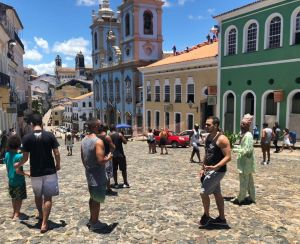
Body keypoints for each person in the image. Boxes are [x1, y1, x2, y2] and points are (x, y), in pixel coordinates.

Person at [14, 113, 61, 233]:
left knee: (38, 196)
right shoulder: (50, 136)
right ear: (41, 122)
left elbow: (25, 158)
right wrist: (58, 164)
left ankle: (40, 214)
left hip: (35, 172)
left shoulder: (26, 138)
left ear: (31, 124)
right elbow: (56, 153)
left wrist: (18, 165)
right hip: (50, 171)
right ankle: (45, 223)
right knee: (48, 197)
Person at [199, 116, 231, 227]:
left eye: (209, 124)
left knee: (203, 192)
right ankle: (222, 219)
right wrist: (202, 168)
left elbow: (228, 157)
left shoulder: (222, 139)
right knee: (217, 194)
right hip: (209, 170)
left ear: (216, 125)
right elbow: (207, 154)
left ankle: (206, 216)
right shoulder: (208, 138)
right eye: (206, 124)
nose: (206, 126)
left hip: (218, 171)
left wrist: (215, 167)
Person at [81, 118, 112, 231]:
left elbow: (83, 158)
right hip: (98, 175)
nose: (102, 127)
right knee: (97, 200)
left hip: (89, 173)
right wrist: (109, 157)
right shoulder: (98, 141)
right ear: (95, 127)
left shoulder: (84, 140)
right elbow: (101, 160)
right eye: (100, 125)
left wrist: (88, 168)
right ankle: (95, 222)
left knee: (92, 198)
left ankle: (92, 219)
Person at [4, 135, 30, 220]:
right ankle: (17, 213)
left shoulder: (7, 154)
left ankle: (14, 211)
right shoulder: (18, 156)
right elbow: (18, 171)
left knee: (13, 197)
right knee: (19, 198)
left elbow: (8, 168)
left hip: (11, 180)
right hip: (19, 180)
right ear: (18, 145)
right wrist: (26, 174)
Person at [232, 114, 256, 205]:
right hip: (244, 162)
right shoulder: (243, 134)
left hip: (246, 163)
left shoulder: (248, 136)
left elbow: (248, 150)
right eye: (241, 123)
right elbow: (243, 146)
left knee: (244, 181)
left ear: (248, 126)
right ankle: (252, 197)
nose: (242, 125)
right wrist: (234, 146)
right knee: (249, 181)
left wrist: (235, 149)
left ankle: (241, 198)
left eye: (244, 124)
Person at [98, 125, 116, 196]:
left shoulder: (97, 136)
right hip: (106, 157)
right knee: (107, 173)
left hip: (98, 156)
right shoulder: (107, 137)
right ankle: (108, 188)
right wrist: (111, 152)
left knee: (100, 172)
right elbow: (113, 147)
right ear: (106, 129)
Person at [110, 124, 130, 188]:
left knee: (114, 170)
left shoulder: (109, 136)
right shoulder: (119, 134)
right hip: (120, 154)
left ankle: (116, 183)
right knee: (123, 169)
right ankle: (125, 183)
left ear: (110, 129)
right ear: (115, 129)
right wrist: (122, 137)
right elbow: (125, 142)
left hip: (113, 155)